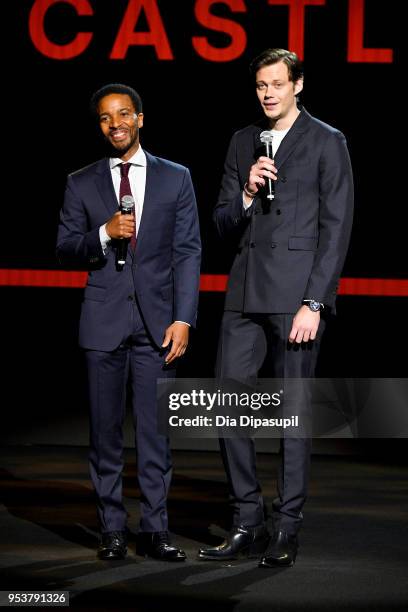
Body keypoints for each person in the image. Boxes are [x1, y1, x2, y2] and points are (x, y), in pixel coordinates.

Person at [198, 49, 353, 567]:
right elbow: (220, 223)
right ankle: (247, 521)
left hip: (296, 298)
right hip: (244, 292)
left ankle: (287, 526)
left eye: (277, 84)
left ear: (298, 85)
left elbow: (336, 229)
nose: (268, 93)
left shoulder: (327, 141)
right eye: (261, 85)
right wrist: (245, 192)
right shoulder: (244, 141)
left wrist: (315, 301)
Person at [57, 83, 201, 562]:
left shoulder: (176, 177)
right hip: (103, 322)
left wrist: (184, 318)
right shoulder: (81, 181)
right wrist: (103, 232)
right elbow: (65, 247)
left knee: (156, 434)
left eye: (123, 114)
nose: (114, 123)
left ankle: (155, 531)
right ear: (99, 125)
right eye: (104, 117)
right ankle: (112, 530)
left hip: (158, 326)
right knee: (105, 435)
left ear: (141, 118)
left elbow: (187, 252)